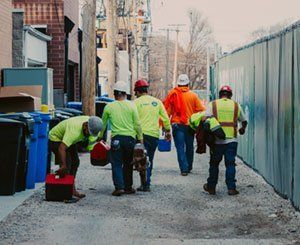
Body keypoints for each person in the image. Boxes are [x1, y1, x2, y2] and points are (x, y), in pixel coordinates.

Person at [100, 81, 143, 196]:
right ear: (126, 94)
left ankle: (119, 187)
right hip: (130, 139)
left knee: (117, 163)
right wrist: (140, 138)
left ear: (114, 94)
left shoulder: (109, 107)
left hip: (116, 139)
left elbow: (102, 124)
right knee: (129, 163)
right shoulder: (132, 105)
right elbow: (137, 124)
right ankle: (128, 187)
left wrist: (99, 137)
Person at [203, 85, 248, 195]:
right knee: (230, 164)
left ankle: (211, 187)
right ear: (230, 95)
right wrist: (242, 129)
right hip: (232, 140)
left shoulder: (213, 104)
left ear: (220, 94)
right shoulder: (236, 105)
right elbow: (244, 120)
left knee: (214, 164)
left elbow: (204, 119)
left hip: (216, 141)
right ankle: (231, 188)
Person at [49, 116, 103, 198]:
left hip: (70, 140)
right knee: (67, 164)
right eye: (88, 132)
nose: (89, 134)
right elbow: (61, 148)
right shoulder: (74, 132)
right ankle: (66, 192)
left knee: (75, 162)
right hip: (56, 138)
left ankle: (71, 189)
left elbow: (90, 145)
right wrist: (63, 165)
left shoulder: (94, 126)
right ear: (85, 125)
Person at [164, 74, 206, 176]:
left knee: (180, 147)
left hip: (177, 125)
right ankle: (189, 166)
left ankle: (183, 169)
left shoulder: (173, 94)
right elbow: (202, 110)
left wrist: (165, 127)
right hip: (190, 125)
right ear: (188, 84)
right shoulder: (193, 96)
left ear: (178, 84)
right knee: (189, 146)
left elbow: (167, 112)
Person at [134, 79, 171, 192]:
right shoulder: (157, 102)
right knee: (150, 158)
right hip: (153, 135)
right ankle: (147, 183)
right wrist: (168, 131)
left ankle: (144, 183)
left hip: (140, 136)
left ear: (137, 91)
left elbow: (133, 120)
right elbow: (165, 118)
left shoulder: (135, 103)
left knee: (140, 159)